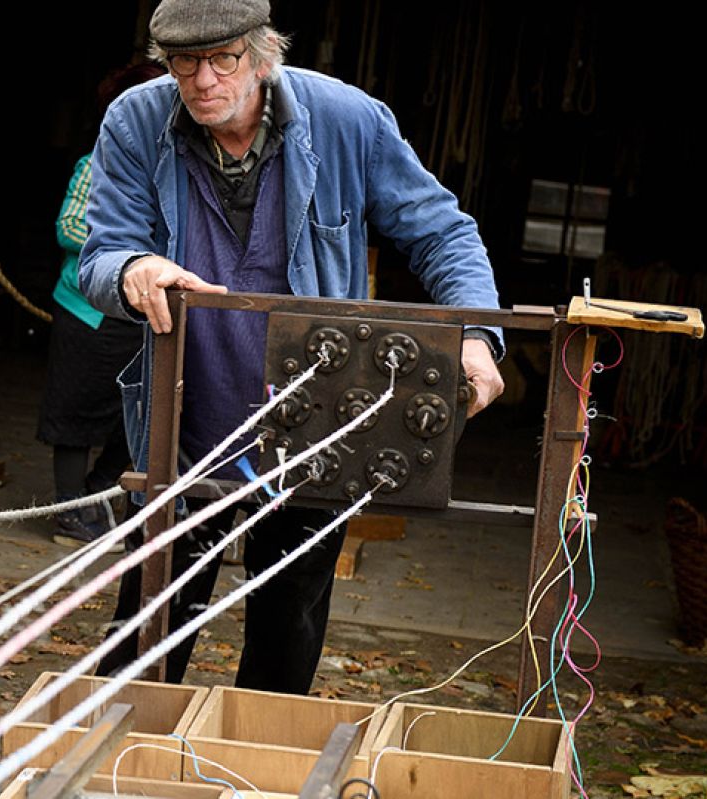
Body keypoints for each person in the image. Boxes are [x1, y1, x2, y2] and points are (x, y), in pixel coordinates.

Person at [81, 0, 506, 693]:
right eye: (184, 63)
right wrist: (132, 269)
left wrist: (478, 335)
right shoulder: (134, 120)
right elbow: (99, 254)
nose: (202, 81)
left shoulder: (347, 120)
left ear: (263, 53)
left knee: (289, 620)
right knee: (151, 616)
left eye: (223, 60)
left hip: (313, 424)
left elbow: (441, 233)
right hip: (188, 424)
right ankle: (117, 766)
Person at [38, 61, 166, 547]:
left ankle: (96, 493)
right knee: (74, 412)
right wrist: (128, 248)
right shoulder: (96, 163)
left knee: (133, 411)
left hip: (142, 311)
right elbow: (67, 228)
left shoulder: (172, 167)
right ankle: (68, 510)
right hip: (87, 308)